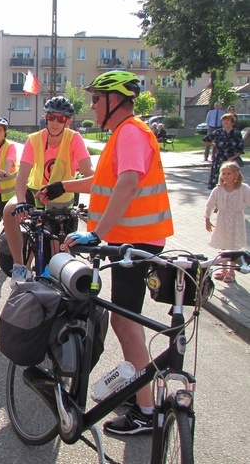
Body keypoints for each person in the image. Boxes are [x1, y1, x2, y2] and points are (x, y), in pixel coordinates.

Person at [39, 71, 174, 436]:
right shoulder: (124, 134)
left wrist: (97, 234)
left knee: (125, 322)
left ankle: (146, 411)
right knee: (125, 320)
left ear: (115, 100)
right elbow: (105, 181)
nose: (92, 105)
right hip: (134, 241)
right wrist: (62, 185)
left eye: (97, 99)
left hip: (136, 242)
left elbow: (128, 183)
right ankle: (141, 390)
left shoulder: (131, 132)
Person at [3, 96, 93, 285]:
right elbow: (21, 178)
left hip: (61, 197)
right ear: (45, 117)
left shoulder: (74, 139)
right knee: (8, 211)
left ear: (67, 121)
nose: (54, 122)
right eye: (51, 117)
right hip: (34, 192)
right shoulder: (34, 139)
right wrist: (20, 202)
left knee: (57, 252)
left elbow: (90, 173)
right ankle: (19, 266)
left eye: (60, 119)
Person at [205, 161, 250, 283]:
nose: (225, 176)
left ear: (236, 175)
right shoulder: (218, 190)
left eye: (228, 173)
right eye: (223, 173)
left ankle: (231, 271)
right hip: (222, 219)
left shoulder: (243, 189)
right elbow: (210, 205)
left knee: (233, 245)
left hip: (236, 220)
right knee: (223, 244)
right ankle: (224, 269)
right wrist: (207, 219)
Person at [203, 112, 244, 190]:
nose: (225, 122)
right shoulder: (218, 132)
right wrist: (214, 144)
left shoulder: (236, 133)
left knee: (232, 179)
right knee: (217, 180)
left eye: (228, 120)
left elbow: (240, 149)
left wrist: (232, 158)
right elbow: (205, 140)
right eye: (224, 120)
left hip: (231, 159)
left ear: (232, 122)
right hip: (219, 159)